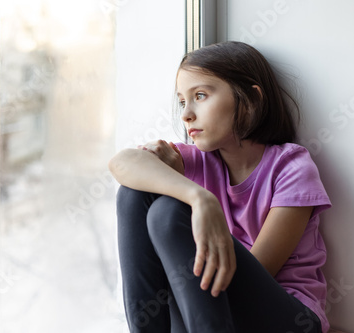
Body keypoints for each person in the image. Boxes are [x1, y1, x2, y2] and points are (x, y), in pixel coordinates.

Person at [109, 41, 331, 333]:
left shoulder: (291, 168)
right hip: (209, 313)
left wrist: (190, 208)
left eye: (200, 95)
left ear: (250, 100)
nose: (186, 114)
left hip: (285, 319)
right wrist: (201, 200)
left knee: (167, 214)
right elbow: (122, 163)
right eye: (181, 101)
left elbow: (258, 275)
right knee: (134, 193)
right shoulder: (196, 161)